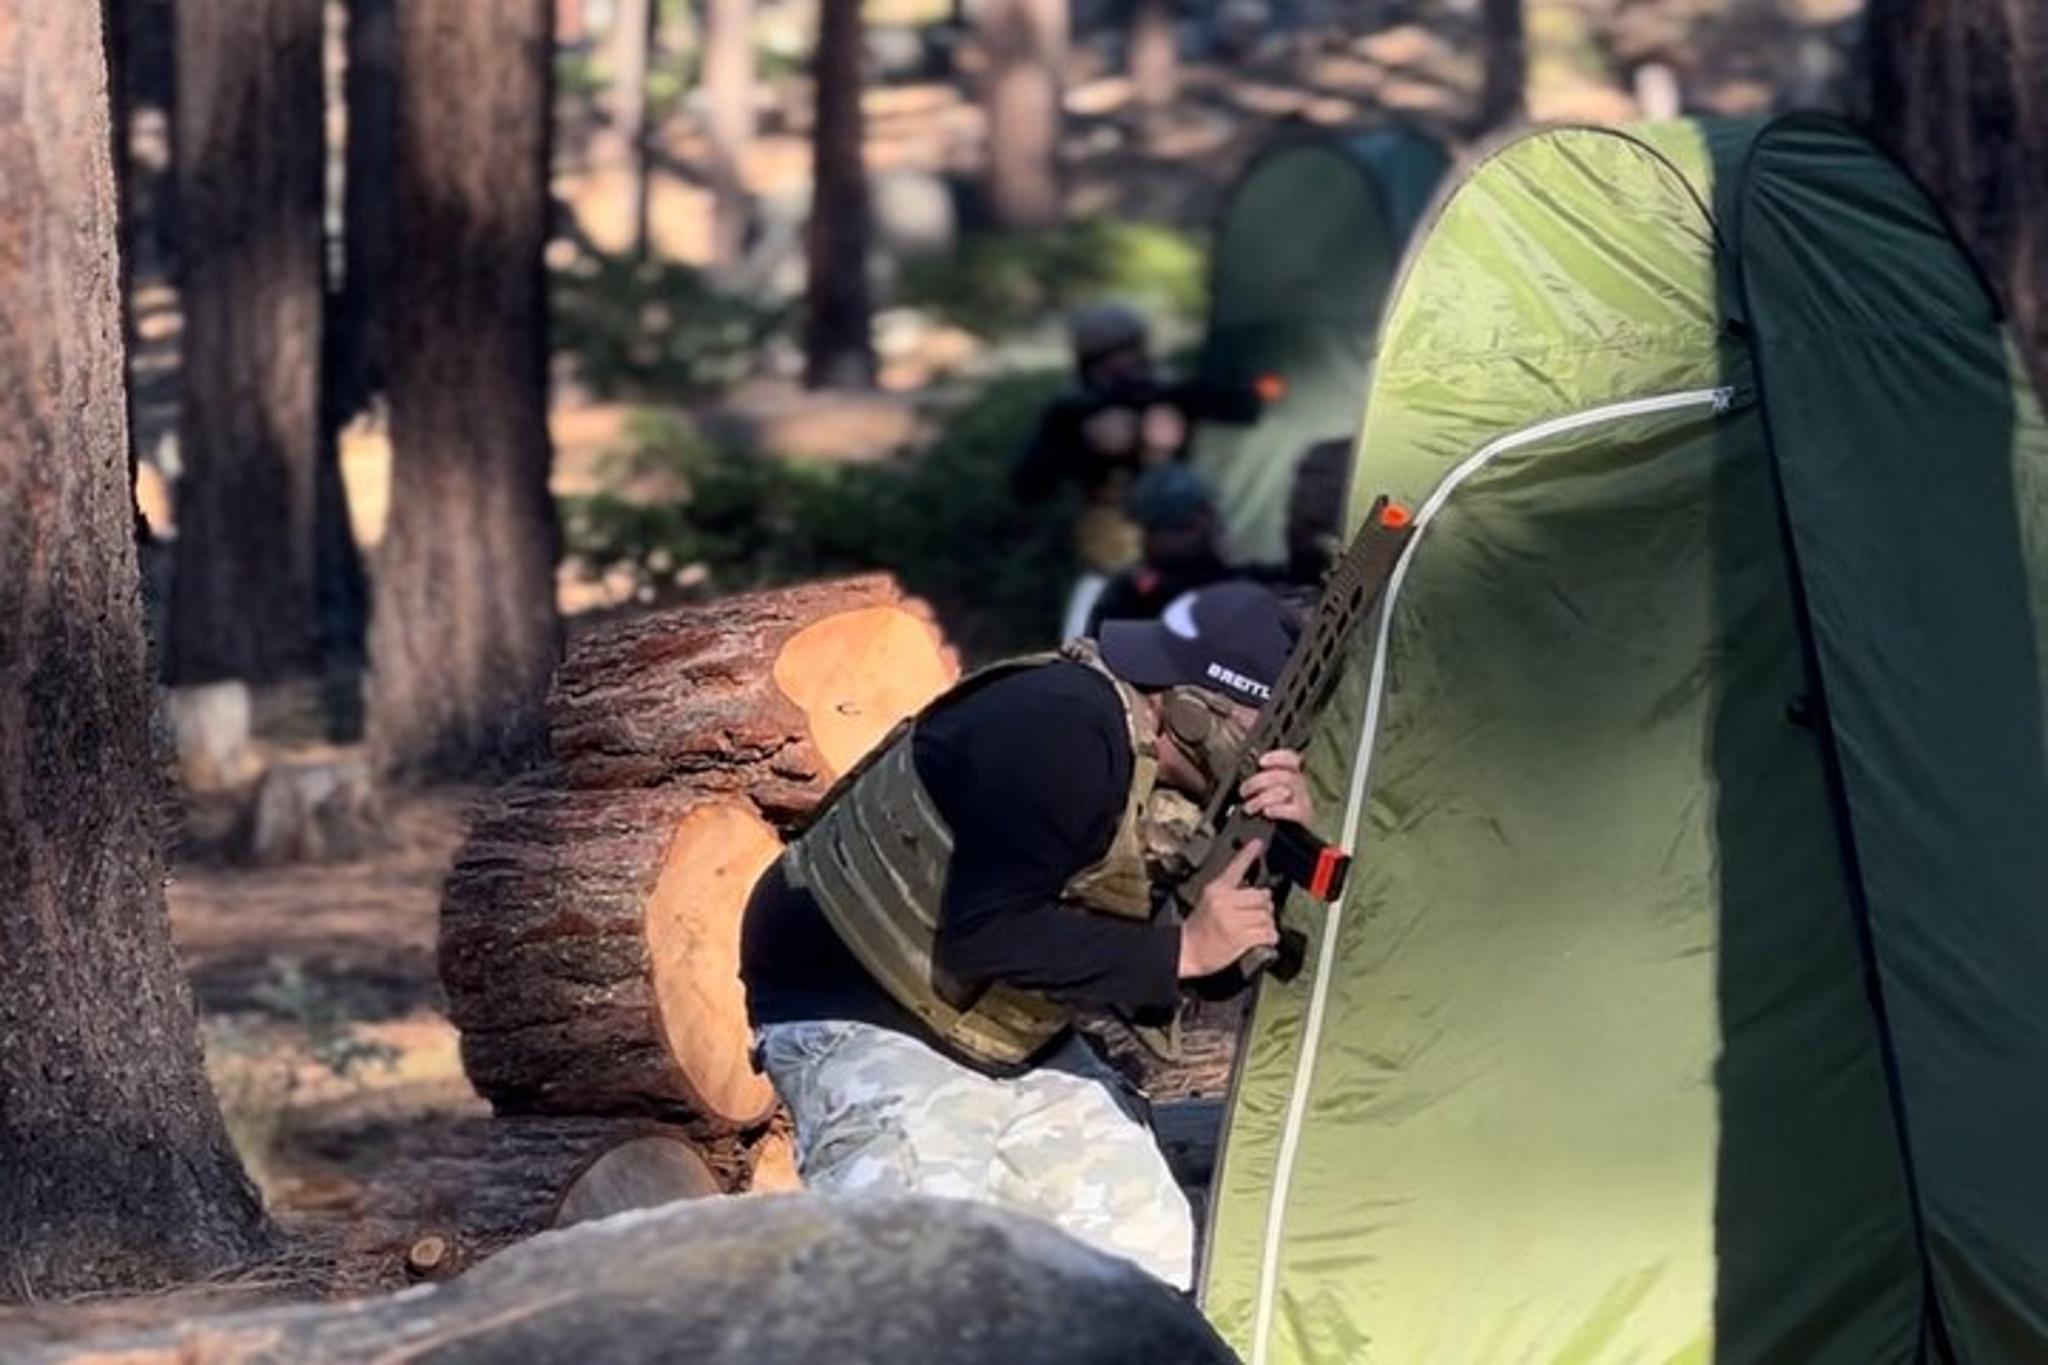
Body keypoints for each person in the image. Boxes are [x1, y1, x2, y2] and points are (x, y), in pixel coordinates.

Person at [740, 583, 1312, 1289]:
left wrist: (1272, 855)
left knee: (1146, 1253)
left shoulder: (1166, 776)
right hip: (858, 1003)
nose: (1271, 751)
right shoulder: (1062, 729)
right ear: (1193, 708)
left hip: (1001, 1018)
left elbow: (1183, 965)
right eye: (1262, 727)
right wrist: (1184, 949)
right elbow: (981, 935)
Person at [1012, 304, 1261, 639]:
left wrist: (1171, 433)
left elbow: (1245, 405)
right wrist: (1082, 445)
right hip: (1110, 562)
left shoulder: (1169, 393)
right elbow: (1028, 485)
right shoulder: (1071, 415)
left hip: (1185, 565)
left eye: (1130, 351)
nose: (1124, 365)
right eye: (1110, 356)